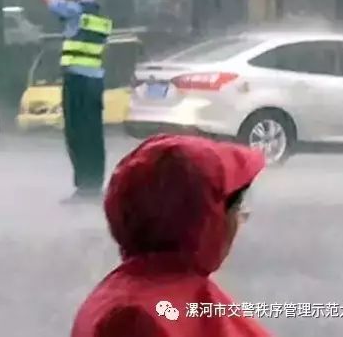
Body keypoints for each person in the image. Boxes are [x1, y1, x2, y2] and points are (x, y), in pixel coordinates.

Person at [71, 134, 272, 337]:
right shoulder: (135, 321)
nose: (240, 220)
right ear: (206, 218)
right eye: (237, 208)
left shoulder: (154, 292)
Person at [23, 0, 112, 202]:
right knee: (93, 134)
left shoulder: (75, 12)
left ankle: (84, 187)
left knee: (76, 134)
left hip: (77, 83)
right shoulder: (101, 18)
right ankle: (94, 184)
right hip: (95, 84)